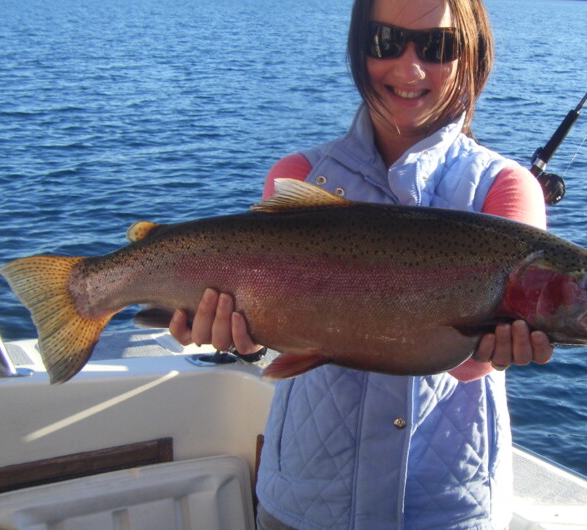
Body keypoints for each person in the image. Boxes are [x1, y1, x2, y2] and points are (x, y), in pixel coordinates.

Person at [170, 0, 553, 527]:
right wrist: (242, 338)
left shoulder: (504, 187)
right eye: (385, 42)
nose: (409, 69)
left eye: (438, 47)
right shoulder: (300, 174)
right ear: (358, 48)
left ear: (471, 55)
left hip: (442, 505)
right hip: (306, 497)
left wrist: (499, 348)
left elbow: (469, 366)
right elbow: (272, 333)